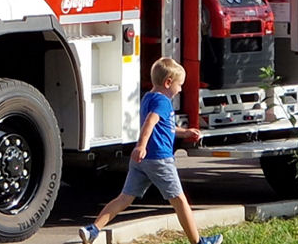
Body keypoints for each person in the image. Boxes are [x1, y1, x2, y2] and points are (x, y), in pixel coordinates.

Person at [80, 58, 219, 244]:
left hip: (141, 162)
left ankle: (93, 229)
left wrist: (184, 132)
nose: (180, 90)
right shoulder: (163, 101)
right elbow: (150, 123)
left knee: (124, 198)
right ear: (168, 82)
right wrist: (141, 145)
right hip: (159, 159)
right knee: (180, 201)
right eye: (179, 85)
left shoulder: (148, 98)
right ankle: (199, 242)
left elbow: (164, 126)